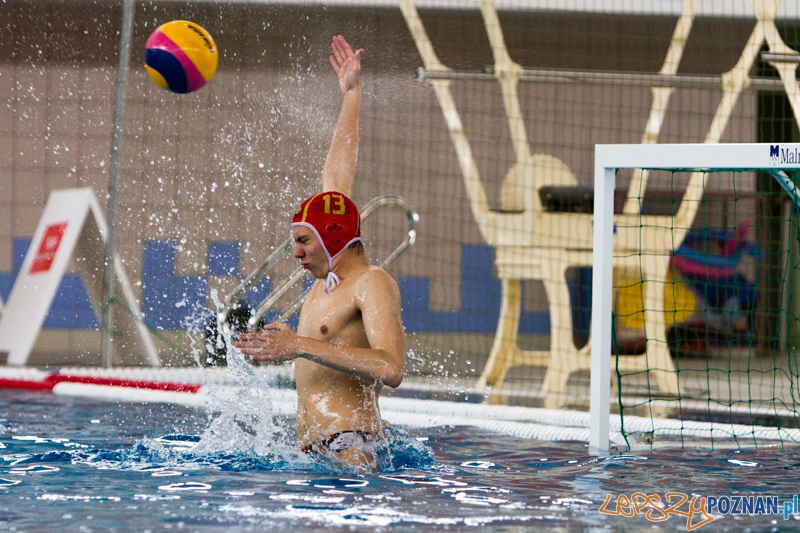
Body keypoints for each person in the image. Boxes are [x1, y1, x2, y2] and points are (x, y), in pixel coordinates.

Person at [234, 35, 406, 470]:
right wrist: (351, 94)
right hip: (313, 452)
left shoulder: (372, 283)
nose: (295, 252)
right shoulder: (332, 280)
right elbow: (337, 176)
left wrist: (300, 345)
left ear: (332, 238)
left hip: (351, 445)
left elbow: (391, 368)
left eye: (303, 240)